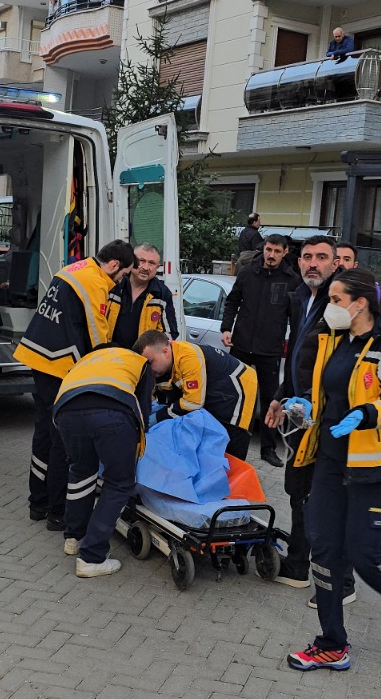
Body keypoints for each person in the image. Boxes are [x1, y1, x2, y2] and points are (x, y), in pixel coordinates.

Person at [277, 268, 381, 671]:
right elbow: (326, 388)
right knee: (326, 550)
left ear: (359, 303)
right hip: (330, 460)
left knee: (365, 556)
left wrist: (364, 414)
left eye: (335, 300)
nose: (329, 308)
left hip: (373, 465)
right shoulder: (335, 340)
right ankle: (332, 642)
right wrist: (308, 407)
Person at [14, 240, 136, 531]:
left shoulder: (76, 267)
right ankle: (58, 512)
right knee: (62, 440)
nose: (121, 282)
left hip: (38, 355)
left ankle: (38, 503)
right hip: (57, 365)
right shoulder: (95, 282)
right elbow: (96, 336)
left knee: (43, 432)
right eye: (123, 275)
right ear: (114, 265)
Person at [265, 236, 352, 601]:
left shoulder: (342, 306)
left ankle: (340, 582)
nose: (312, 263)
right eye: (306, 257)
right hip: (301, 416)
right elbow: (300, 357)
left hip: (332, 421)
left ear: (336, 264)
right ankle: (298, 565)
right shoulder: (302, 297)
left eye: (321, 257)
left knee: (327, 500)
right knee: (297, 492)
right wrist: (281, 398)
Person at [55, 339, 158, 577]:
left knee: (81, 472)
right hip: (112, 414)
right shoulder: (139, 362)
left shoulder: (87, 360)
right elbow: (142, 410)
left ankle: (74, 538)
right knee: (119, 483)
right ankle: (91, 558)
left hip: (66, 411)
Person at [220, 234, 299, 466]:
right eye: (269, 249)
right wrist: (226, 328)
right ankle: (227, 442)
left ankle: (268, 448)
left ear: (285, 253)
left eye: (277, 251)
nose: (271, 255)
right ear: (263, 249)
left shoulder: (291, 280)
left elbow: (294, 318)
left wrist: (293, 344)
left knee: (269, 399)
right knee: (234, 395)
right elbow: (233, 301)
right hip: (241, 344)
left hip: (270, 349)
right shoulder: (247, 272)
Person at [138, 331, 257, 459]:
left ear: (165, 352)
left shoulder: (188, 357)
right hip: (215, 389)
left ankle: (235, 476)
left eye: (150, 362)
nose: (148, 369)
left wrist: (158, 417)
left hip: (239, 389)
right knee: (209, 444)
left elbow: (193, 403)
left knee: (230, 445)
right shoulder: (164, 365)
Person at [108, 243, 176, 348]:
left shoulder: (162, 294)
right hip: (109, 356)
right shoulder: (113, 286)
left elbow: (169, 334)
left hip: (143, 359)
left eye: (151, 263)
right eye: (142, 261)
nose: (145, 267)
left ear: (157, 267)